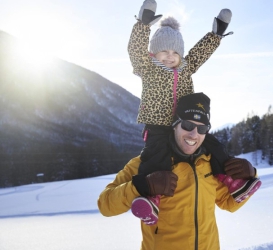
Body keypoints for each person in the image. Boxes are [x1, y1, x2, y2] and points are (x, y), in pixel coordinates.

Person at [127, 0, 261, 225]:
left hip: (186, 124)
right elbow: (135, 50)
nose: (169, 56)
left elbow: (200, 53)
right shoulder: (146, 67)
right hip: (158, 127)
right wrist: (143, 25)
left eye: (174, 52)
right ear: (153, 53)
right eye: (163, 51)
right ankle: (152, 200)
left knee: (213, 145)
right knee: (156, 157)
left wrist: (216, 34)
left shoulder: (185, 68)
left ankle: (233, 183)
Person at [98, 93, 259, 249]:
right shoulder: (146, 163)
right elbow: (105, 204)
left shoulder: (209, 163)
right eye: (187, 125)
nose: (194, 134)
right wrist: (142, 186)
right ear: (175, 124)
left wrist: (250, 175)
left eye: (202, 128)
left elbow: (229, 203)